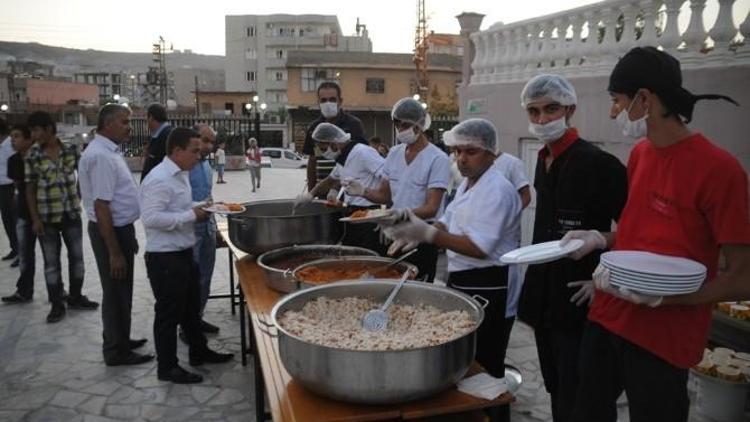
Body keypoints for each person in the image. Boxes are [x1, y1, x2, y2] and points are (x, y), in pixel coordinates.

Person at [566, 47, 750, 422]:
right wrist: (600, 239)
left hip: (663, 337)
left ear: (644, 99)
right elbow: (642, 238)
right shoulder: (641, 155)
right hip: (610, 315)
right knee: (586, 410)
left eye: (617, 101)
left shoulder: (720, 171)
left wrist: (670, 299)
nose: (613, 111)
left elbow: (742, 279)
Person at [382, 118, 521, 420]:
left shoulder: (496, 190)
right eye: (457, 151)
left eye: (470, 151)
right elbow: (450, 219)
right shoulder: (468, 184)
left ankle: (494, 415)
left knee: (487, 367)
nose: (461, 158)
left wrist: (429, 234)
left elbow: (479, 247)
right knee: (466, 362)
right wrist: (418, 234)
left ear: (491, 154)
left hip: (491, 282)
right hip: (463, 278)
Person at [514, 74, 628, 422]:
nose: (542, 119)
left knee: (586, 396)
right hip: (545, 298)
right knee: (556, 387)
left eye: (551, 109)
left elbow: (638, 233)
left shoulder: (600, 164)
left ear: (570, 109)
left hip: (583, 300)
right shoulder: (543, 158)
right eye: (534, 112)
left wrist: (605, 281)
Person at [141, 127, 233, 384]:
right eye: (194, 150)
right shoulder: (159, 178)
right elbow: (151, 218)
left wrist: (201, 207)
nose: (199, 155)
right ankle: (167, 367)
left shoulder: (182, 173)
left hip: (184, 252)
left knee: (191, 310)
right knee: (168, 315)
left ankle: (198, 351)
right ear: (177, 151)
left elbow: (180, 208)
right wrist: (192, 215)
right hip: (165, 259)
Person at [79, 104, 153, 366]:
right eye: (125, 122)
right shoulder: (100, 156)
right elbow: (101, 206)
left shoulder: (108, 150)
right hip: (109, 232)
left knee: (122, 289)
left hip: (120, 228)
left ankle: (120, 337)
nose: (129, 128)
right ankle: (115, 350)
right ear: (108, 124)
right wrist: (114, 251)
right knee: (115, 290)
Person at [345, 97, 451, 282]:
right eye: (397, 125)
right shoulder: (394, 154)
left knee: (418, 288)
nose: (401, 130)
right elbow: (384, 195)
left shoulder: (437, 159)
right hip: (395, 232)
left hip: (421, 235)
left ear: (420, 125)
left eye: (405, 125)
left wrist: (398, 214)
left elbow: (431, 208)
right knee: (391, 282)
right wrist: (363, 191)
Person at [25, 111, 99, 323]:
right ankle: (57, 303)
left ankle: (75, 297)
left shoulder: (70, 149)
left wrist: (78, 194)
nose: (34, 134)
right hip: (46, 218)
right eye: (31, 131)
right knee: (51, 263)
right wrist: (35, 219)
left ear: (49, 129)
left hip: (70, 214)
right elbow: (30, 189)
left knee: (77, 258)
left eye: (36, 130)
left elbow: (82, 175)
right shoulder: (33, 155)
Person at [296, 123, 385, 253]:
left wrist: (385, 212)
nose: (323, 153)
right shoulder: (342, 158)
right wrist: (310, 195)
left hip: (370, 217)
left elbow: (389, 177)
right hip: (352, 215)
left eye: (323, 148)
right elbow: (330, 180)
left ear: (334, 143)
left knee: (368, 258)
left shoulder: (363, 152)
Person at [492, 149, 532, 366]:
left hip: (504, 245)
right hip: (477, 255)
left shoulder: (511, 164)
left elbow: (526, 195)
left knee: (504, 309)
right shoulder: (468, 168)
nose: (461, 156)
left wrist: (505, 216)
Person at [302, 81, 366, 191]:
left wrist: (337, 188)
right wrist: (311, 192)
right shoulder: (314, 128)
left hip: (347, 191)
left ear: (340, 101)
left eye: (332, 99)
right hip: (321, 189)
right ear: (318, 103)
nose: (328, 103)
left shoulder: (353, 124)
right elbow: (312, 161)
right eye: (323, 100)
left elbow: (360, 159)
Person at [189, 124, 220, 333]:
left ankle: (197, 317)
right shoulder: (184, 167)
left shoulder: (207, 168)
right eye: (204, 140)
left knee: (205, 278)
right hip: (190, 233)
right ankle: (188, 325)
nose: (208, 146)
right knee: (192, 281)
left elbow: (209, 199)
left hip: (207, 230)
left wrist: (215, 225)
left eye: (211, 142)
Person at [2, 124, 37, 303]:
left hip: (42, 213)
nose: (12, 140)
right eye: (11, 136)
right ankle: (24, 290)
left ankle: (58, 291)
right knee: (25, 255)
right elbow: (18, 187)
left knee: (51, 256)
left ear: (28, 138)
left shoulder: (39, 157)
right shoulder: (14, 160)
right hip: (24, 213)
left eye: (16, 136)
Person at [0, 117, 19, 266]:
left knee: (16, 221)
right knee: (6, 220)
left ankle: (21, 252)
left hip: (12, 187)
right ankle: (14, 248)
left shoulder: (11, 144)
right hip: (1, 188)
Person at [140, 103, 172, 182]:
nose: (147, 123)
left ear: (151, 117)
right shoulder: (158, 135)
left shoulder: (167, 136)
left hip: (159, 186)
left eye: (146, 119)